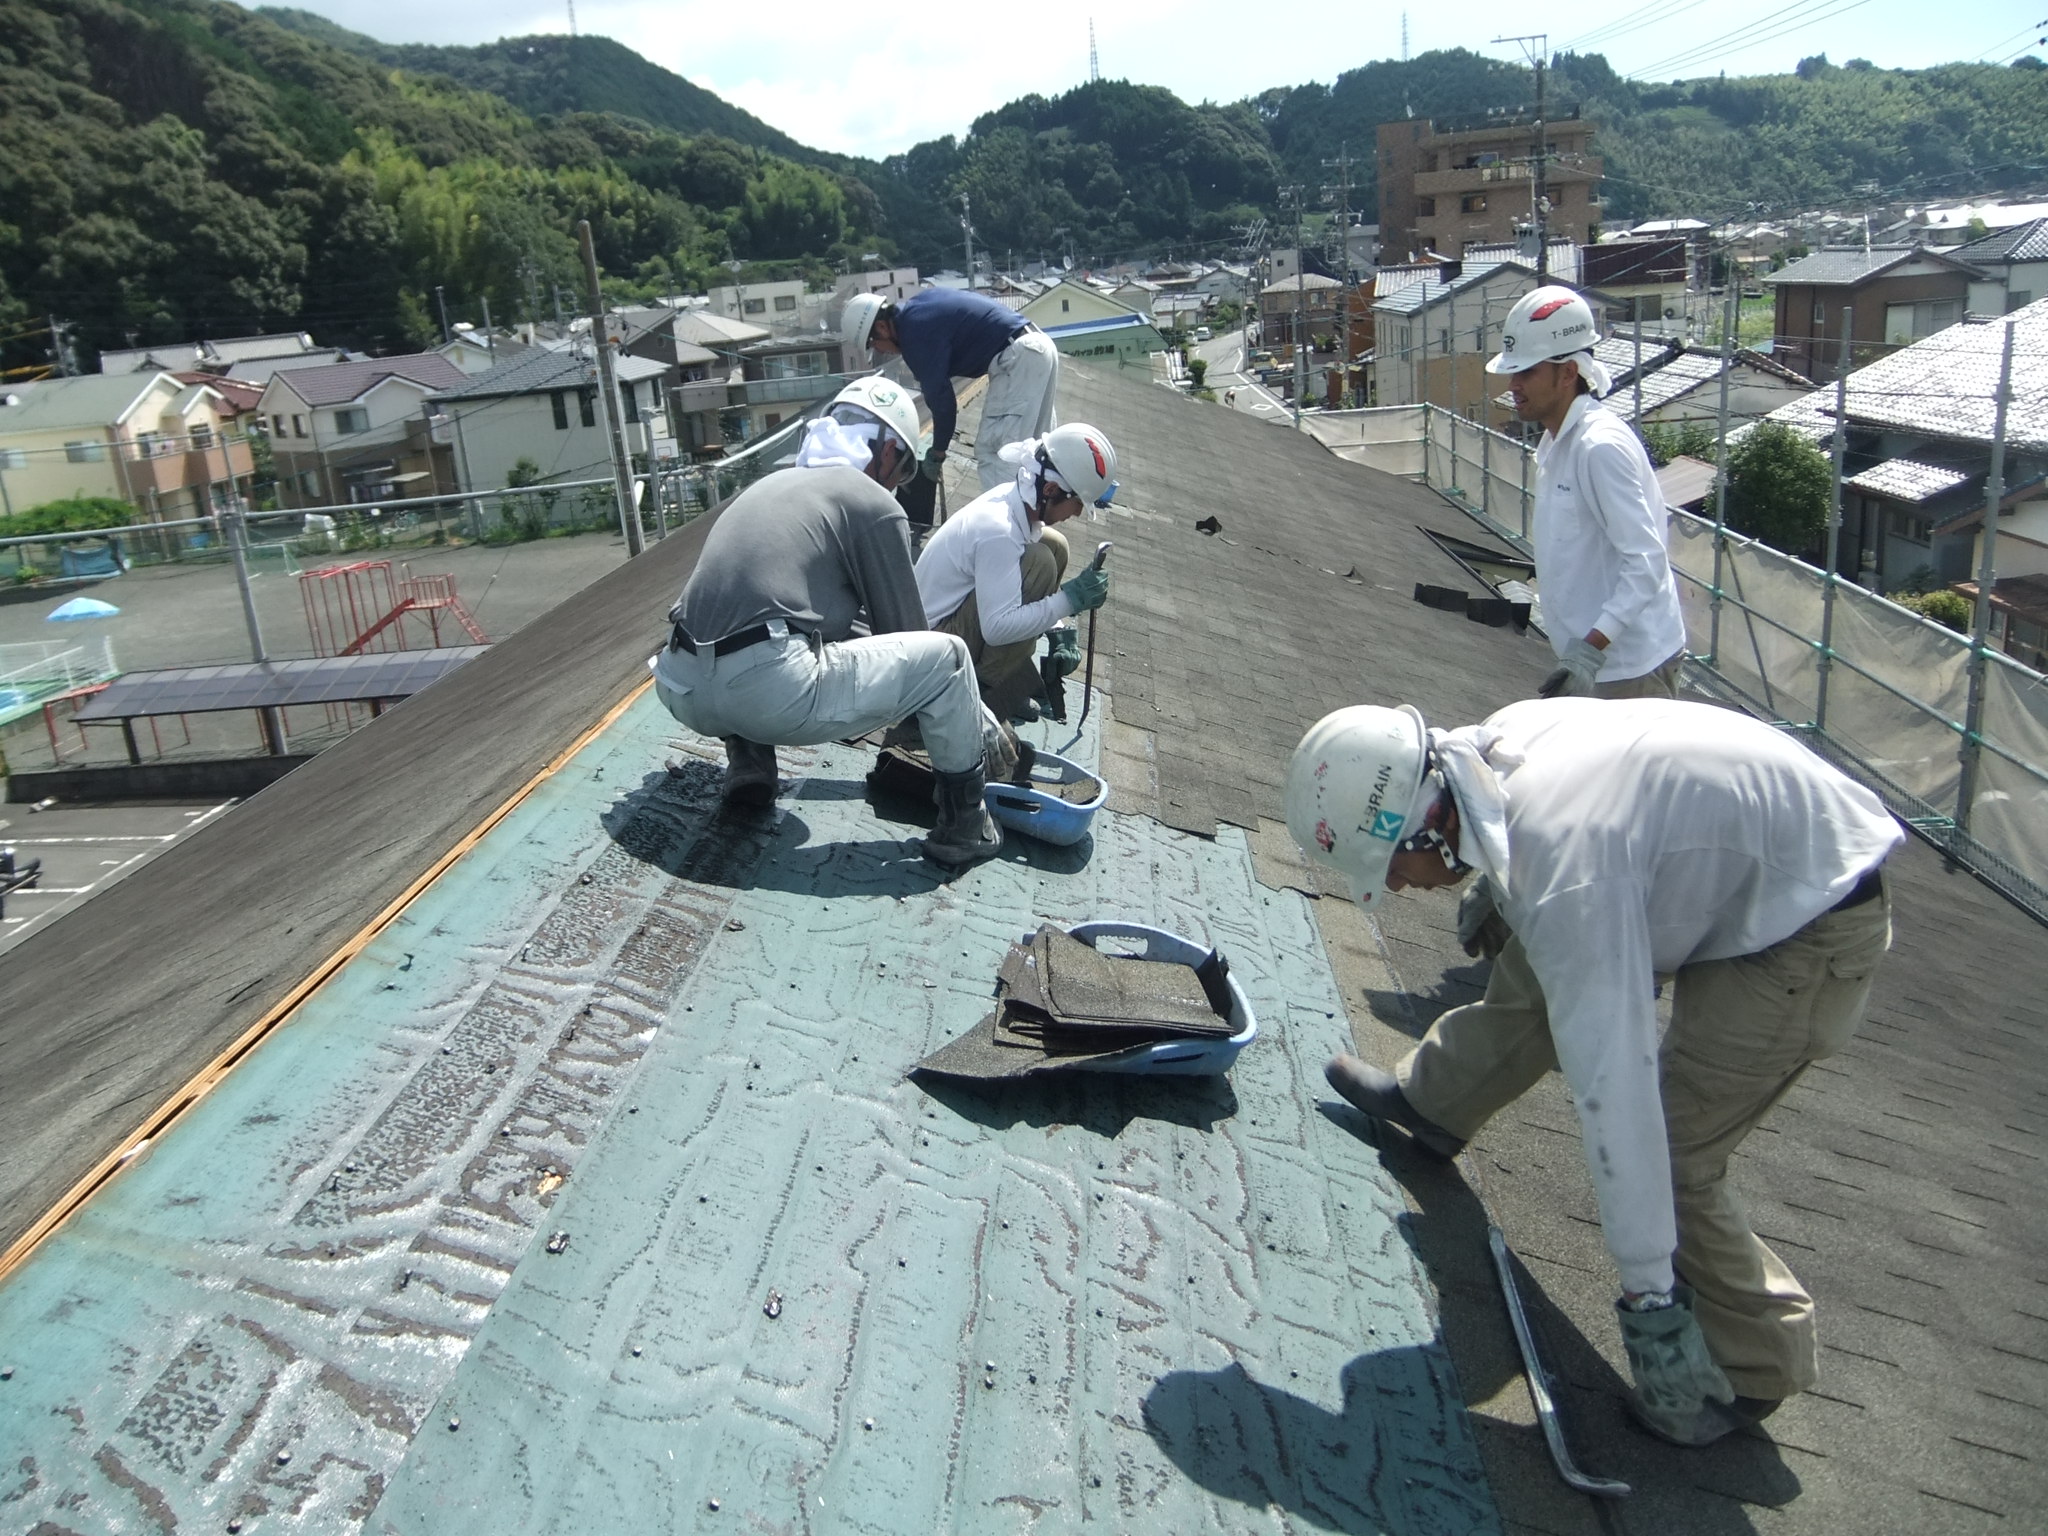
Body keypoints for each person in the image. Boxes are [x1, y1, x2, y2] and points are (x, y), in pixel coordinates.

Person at [1286, 697, 1901, 1447]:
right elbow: (1561, 856)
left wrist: (1650, 1297)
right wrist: (1495, 878)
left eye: (1392, 868)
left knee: (1676, 1148)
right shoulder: (1489, 754)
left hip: (1812, 914)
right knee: (1540, 960)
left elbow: (1618, 1090)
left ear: (1427, 824)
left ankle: (1755, 1362)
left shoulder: (1568, 874)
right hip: (1728, 851)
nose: (1398, 889)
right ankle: (1434, 1100)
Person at [649, 377, 1004, 866]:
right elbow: (909, 640)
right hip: (765, 692)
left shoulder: (772, 484)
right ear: (886, 452)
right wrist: (977, 722)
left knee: (772, 630)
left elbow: (799, 616)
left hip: (679, 685)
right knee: (950, 660)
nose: (895, 484)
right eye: (900, 470)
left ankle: (749, 763)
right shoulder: (871, 501)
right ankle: (965, 825)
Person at [1485, 287, 1689, 701]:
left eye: (1527, 372)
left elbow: (1646, 561)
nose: (1514, 385)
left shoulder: (1599, 448)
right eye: (1513, 372)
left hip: (1630, 669)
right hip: (1596, 664)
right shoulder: (1559, 443)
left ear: (1568, 372)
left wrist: (1590, 651)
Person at [914, 424, 1118, 721]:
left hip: (943, 624)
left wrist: (1059, 628)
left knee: (1055, 547)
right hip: (927, 656)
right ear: (1050, 490)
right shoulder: (999, 531)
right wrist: (1070, 600)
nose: (1075, 514)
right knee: (1041, 563)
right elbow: (997, 630)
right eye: (1076, 504)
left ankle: (1004, 676)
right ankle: (980, 699)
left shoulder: (1012, 502)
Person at [843, 290, 1060, 493]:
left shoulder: (914, 335)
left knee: (995, 452)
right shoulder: (920, 305)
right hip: (1038, 347)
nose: (881, 351)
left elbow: (943, 403)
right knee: (1036, 451)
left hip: (1018, 359)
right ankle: (1036, 521)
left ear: (882, 328)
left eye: (874, 345)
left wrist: (938, 453)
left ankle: (1005, 527)